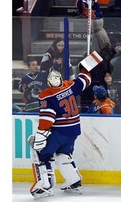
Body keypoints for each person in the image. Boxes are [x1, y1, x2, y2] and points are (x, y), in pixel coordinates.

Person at [29, 66, 92, 198]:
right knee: (63, 154)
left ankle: (44, 185)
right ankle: (74, 181)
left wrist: (41, 135)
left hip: (60, 132)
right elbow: (84, 80)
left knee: (40, 152)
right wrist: (85, 68)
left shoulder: (48, 95)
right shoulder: (70, 86)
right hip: (74, 130)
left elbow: (47, 119)